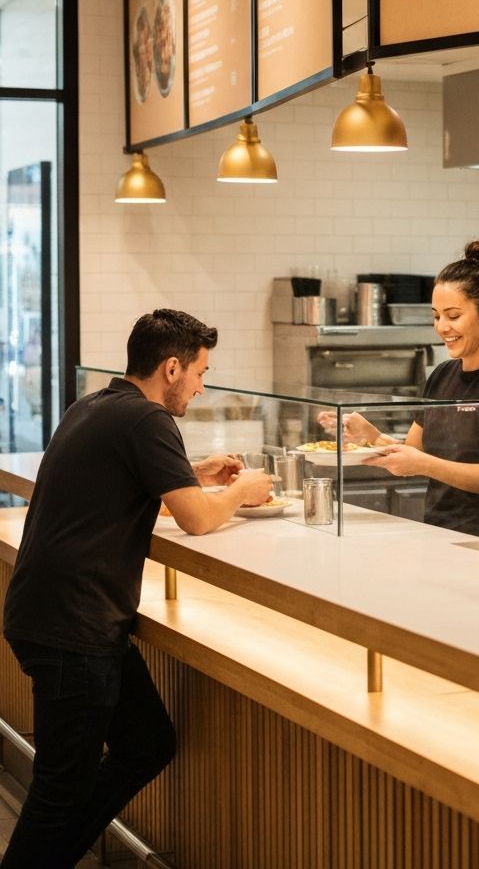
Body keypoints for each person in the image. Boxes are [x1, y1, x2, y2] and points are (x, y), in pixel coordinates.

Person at [1, 309, 274, 868]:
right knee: (58, 795)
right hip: (73, 627)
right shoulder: (148, 421)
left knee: (147, 743)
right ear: (171, 368)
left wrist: (192, 471)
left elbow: (120, 474)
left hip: (58, 614)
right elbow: (196, 520)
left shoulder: (98, 405)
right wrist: (243, 490)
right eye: (199, 373)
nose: (200, 387)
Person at [319, 240, 479, 559]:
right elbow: (413, 453)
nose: (442, 327)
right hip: (438, 536)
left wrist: (424, 464)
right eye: (436, 316)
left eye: (453, 316)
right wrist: (369, 436)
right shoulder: (441, 375)